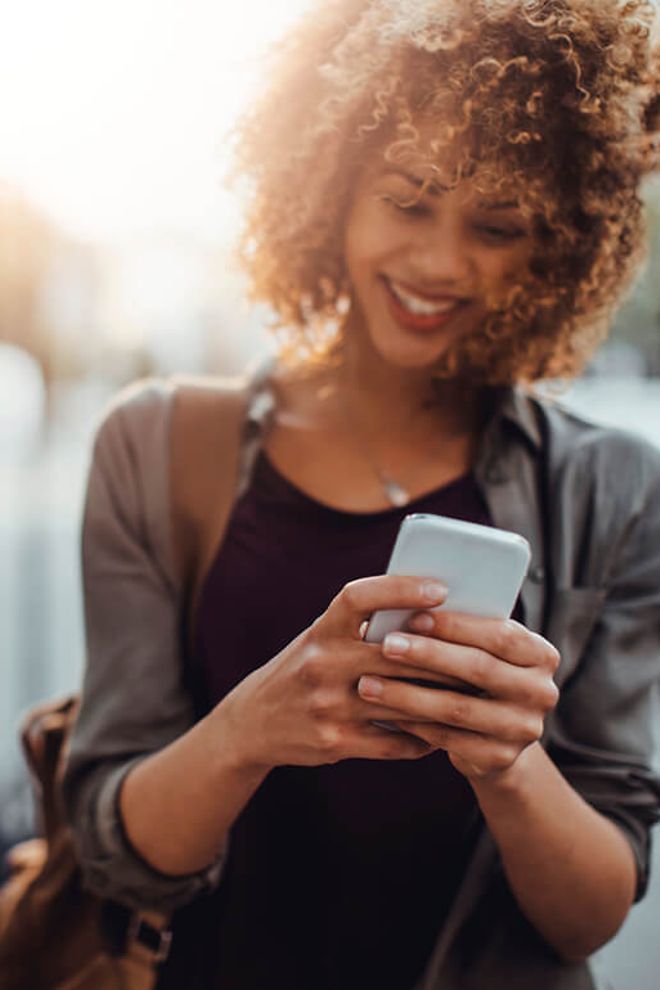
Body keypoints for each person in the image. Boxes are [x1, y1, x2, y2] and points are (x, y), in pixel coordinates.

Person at [62, 1, 660, 987]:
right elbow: (112, 847)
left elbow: (589, 915)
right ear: (331, 185)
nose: (439, 263)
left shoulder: (616, 491)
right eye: (408, 200)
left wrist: (509, 761)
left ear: (554, 246)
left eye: (498, 225)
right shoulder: (156, 444)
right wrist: (253, 727)